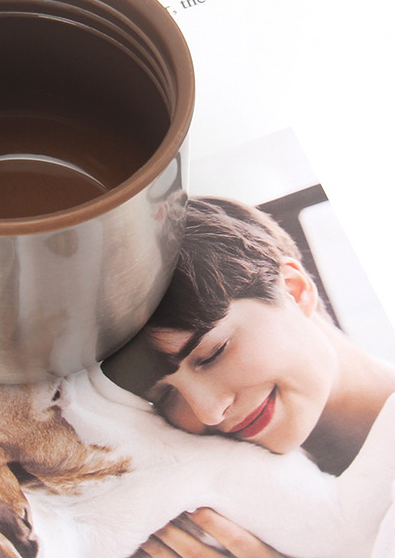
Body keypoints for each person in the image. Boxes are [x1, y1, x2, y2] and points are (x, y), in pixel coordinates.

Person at [102, 196, 395, 557]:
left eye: (213, 354)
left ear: (294, 289)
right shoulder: (215, 523)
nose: (210, 412)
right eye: (165, 396)